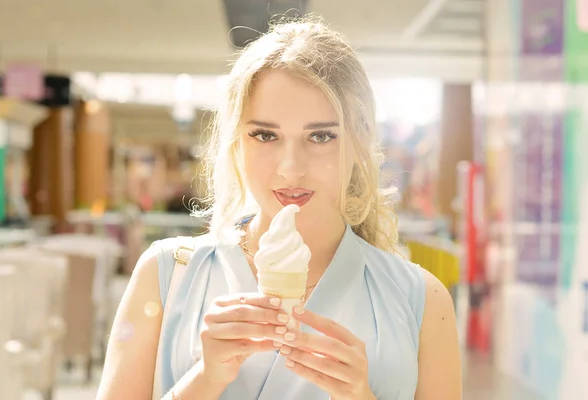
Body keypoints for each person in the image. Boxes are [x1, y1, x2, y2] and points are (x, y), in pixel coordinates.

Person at [97, 17, 461, 400]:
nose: (291, 168)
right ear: (237, 142)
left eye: (320, 136)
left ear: (360, 140)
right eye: (265, 135)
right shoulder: (166, 275)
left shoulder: (420, 299)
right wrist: (204, 380)